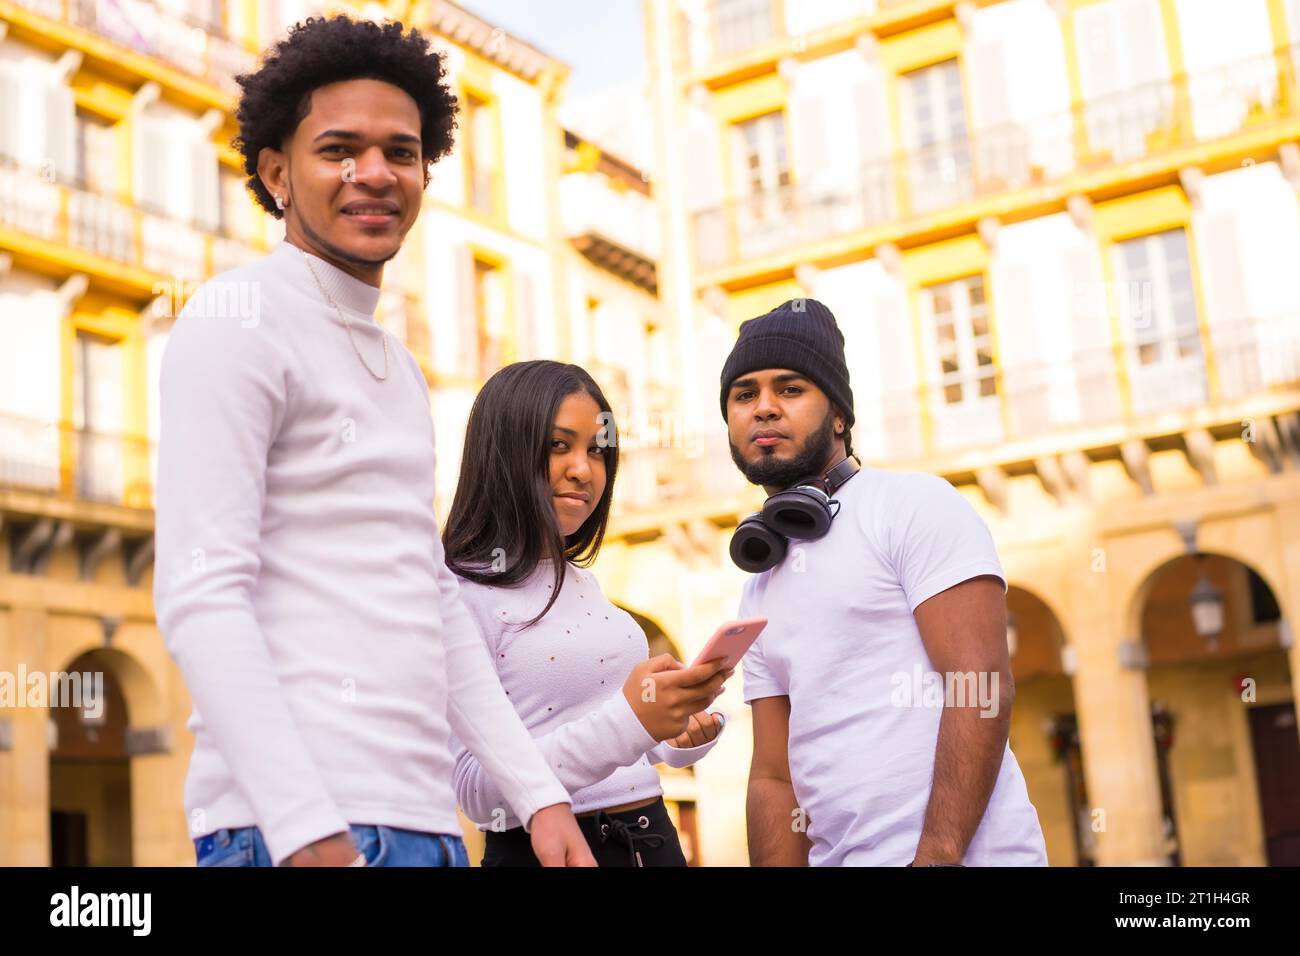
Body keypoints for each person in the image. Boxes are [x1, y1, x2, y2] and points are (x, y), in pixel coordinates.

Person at [153, 15, 593, 868]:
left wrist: (539, 796)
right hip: (299, 829)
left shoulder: (399, 366)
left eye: (401, 151)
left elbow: (430, 598)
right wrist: (302, 825)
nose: (374, 174)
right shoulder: (237, 319)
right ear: (276, 172)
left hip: (424, 825)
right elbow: (201, 593)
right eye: (338, 150)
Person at [724, 298, 1048, 866]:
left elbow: (981, 685)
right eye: (745, 394)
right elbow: (774, 777)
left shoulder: (913, 505)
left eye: (791, 389)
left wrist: (937, 854)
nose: (764, 408)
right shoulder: (759, 581)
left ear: (841, 416)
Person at [443, 360, 730, 866]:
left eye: (598, 451)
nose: (584, 469)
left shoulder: (585, 585)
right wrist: (631, 724)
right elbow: (475, 792)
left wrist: (674, 736)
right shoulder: (460, 593)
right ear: (504, 451)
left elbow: (622, 745)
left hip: (653, 840)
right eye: (559, 445)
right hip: (550, 850)